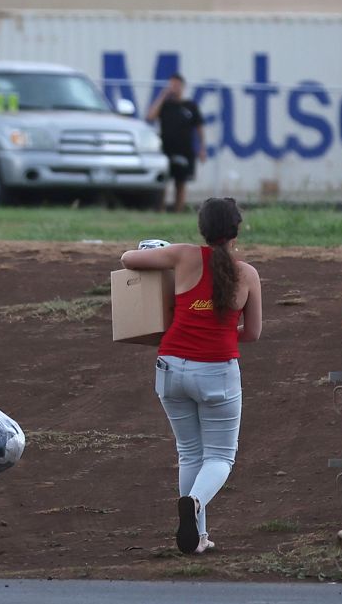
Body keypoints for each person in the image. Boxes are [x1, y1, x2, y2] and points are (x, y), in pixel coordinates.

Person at [119, 197, 262, 554]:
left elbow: (127, 260)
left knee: (189, 454)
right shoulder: (247, 274)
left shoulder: (182, 255)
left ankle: (197, 536)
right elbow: (253, 332)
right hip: (217, 371)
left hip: (170, 367)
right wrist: (225, 333)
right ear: (237, 230)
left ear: (202, 229)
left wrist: (161, 249)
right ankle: (195, 502)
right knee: (220, 458)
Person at [146, 73, 208, 212]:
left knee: (181, 182)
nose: (173, 88)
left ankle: (178, 211)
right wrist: (162, 96)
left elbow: (199, 129)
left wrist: (202, 148)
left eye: (176, 85)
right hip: (166, 149)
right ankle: (160, 210)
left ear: (182, 87)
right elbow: (150, 117)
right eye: (171, 85)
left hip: (184, 150)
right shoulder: (165, 105)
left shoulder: (191, 106)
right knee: (163, 182)